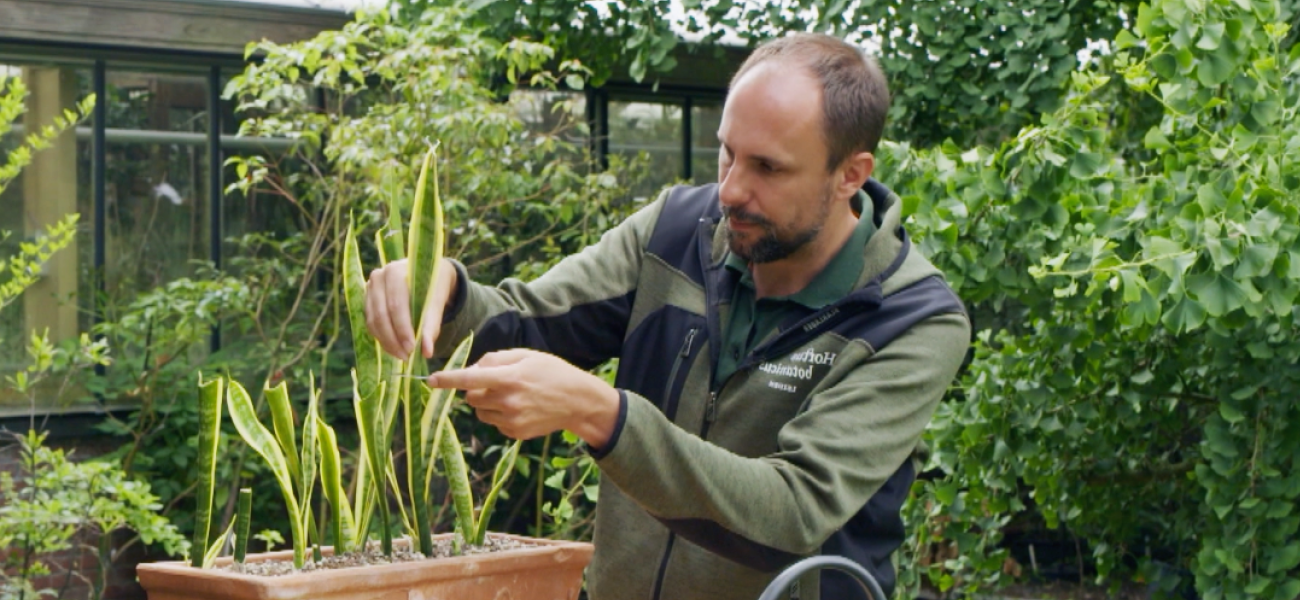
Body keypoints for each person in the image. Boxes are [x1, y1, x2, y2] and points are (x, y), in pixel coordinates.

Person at [363, 33, 971, 600]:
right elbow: (529, 322)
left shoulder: (911, 319)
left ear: (850, 175)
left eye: (768, 168)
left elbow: (793, 513)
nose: (730, 189)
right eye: (726, 153)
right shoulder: (678, 230)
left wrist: (602, 415)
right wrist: (442, 291)